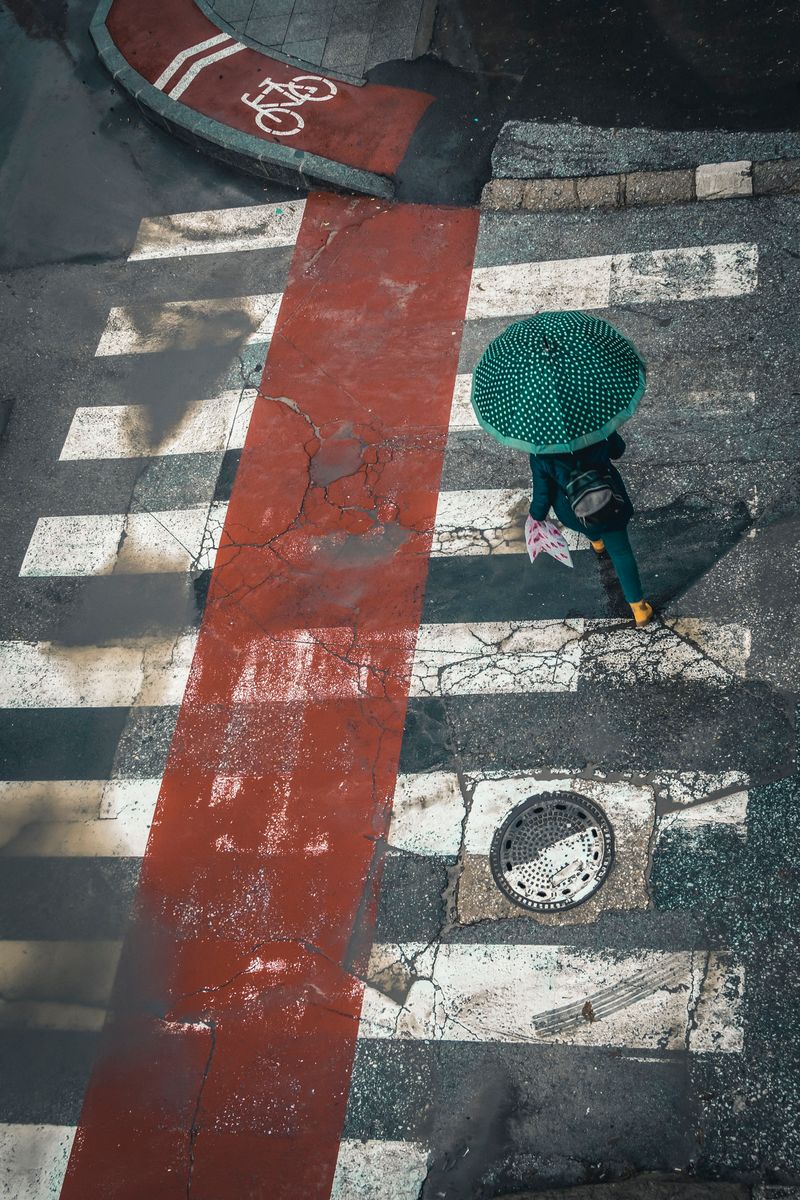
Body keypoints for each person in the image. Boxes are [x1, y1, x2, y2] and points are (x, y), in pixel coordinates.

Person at [529, 430, 653, 627]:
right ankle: (639, 608)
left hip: (573, 509)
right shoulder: (594, 424)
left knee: (587, 523)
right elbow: (618, 450)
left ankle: (597, 543)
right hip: (609, 500)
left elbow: (542, 493)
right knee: (621, 551)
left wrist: (536, 515)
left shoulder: (540, 449)